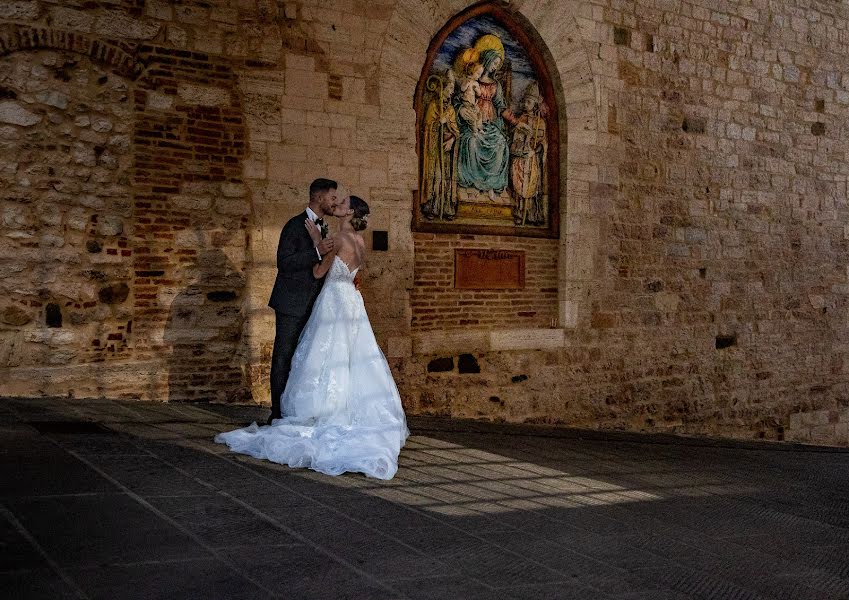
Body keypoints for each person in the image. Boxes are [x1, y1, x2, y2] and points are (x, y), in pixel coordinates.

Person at [216, 196, 409, 480]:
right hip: (353, 304)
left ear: (351, 212)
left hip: (332, 301)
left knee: (326, 355)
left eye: (343, 203)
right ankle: (350, 410)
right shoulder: (359, 242)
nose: (338, 205)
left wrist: (319, 242)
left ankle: (320, 412)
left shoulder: (339, 239)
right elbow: (356, 276)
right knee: (352, 358)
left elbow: (320, 271)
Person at [265, 178, 337, 425]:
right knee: (283, 357)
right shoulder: (294, 226)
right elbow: (284, 262)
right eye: (332, 197)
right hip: (290, 303)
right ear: (319, 198)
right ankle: (276, 413)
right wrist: (317, 251)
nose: (334, 202)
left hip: (314, 304)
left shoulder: (323, 227)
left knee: (304, 358)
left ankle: (294, 410)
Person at [420, 72, 460, 221]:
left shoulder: (450, 110)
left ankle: (447, 207)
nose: (452, 91)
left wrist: (451, 141)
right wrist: (438, 123)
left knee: (446, 178)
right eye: (450, 88)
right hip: (435, 152)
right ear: (442, 89)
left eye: (452, 89)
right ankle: (432, 207)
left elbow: (456, 131)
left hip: (446, 151)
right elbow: (427, 127)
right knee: (436, 177)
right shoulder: (433, 106)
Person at [510, 83, 548, 226]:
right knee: (518, 183)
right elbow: (515, 137)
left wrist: (535, 150)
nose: (526, 104)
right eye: (524, 101)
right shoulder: (521, 119)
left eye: (529, 102)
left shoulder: (541, 122)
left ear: (535, 104)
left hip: (531, 158)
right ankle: (519, 212)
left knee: (530, 184)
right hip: (520, 156)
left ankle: (530, 214)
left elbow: (542, 142)